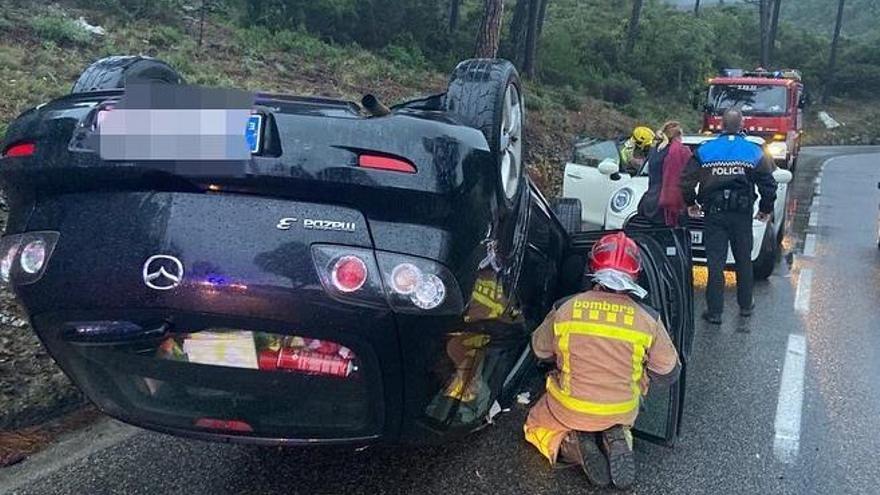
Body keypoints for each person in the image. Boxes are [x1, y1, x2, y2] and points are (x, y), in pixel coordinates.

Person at [524, 232, 680, 490]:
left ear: (591, 269)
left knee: (535, 426)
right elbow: (668, 371)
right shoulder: (648, 318)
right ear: (635, 274)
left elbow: (539, 351)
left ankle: (570, 445)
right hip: (621, 408)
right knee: (636, 379)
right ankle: (619, 437)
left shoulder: (565, 308)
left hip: (570, 406)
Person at [679, 109, 777, 324]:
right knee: (743, 260)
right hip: (741, 214)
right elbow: (768, 183)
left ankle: (715, 312)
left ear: (721, 125)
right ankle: (745, 306)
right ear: (742, 124)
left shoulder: (706, 150)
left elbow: (686, 180)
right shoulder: (753, 151)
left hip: (714, 214)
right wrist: (765, 207)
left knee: (716, 263)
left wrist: (691, 203)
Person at [636, 121, 692, 227]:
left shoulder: (655, 151)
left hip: (649, 203)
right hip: (668, 206)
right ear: (679, 136)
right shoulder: (681, 152)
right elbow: (688, 179)